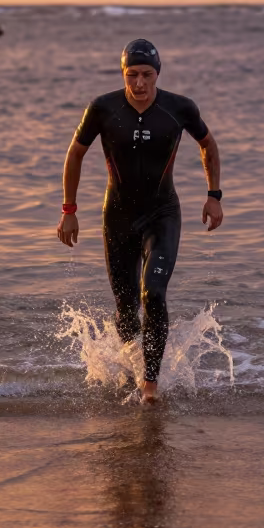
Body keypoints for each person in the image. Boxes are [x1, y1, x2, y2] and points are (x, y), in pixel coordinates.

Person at [57, 38, 223, 403]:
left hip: (162, 213)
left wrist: (214, 196)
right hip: (116, 215)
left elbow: (208, 144)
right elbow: (75, 154)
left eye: (147, 74)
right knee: (126, 303)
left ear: (157, 74)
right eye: (132, 74)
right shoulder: (103, 108)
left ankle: (150, 384)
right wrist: (69, 211)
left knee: (155, 294)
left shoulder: (179, 107)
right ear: (123, 74)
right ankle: (131, 366)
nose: (139, 83)